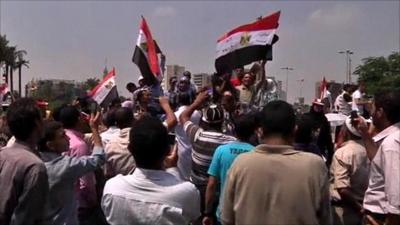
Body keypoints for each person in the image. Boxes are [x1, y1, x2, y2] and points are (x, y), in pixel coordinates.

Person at [221, 100, 331, 225]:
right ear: (294, 130)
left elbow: (227, 218)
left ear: (260, 131)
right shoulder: (314, 166)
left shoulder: (240, 164)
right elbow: (325, 219)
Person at [102, 116, 201, 225]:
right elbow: (194, 218)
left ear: (130, 149)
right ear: (168, 150)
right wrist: (173, 169)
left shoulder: (112, 188)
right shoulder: (187, 192)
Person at [39, 113, 105, 225]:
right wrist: (94, 128)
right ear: (50, 145)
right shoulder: (65, 166)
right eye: (62, 136)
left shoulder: (32, 161)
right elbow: (98, 158)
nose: (68, 138)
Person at [180, 91, 236, 219]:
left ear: (205, 120)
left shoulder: (197, 135)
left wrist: (197, 102)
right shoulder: (230, 141)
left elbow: (183, 116)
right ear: (222, 121)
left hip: (197, 190)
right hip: (221, 191)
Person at [0, 98, 49, 225]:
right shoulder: (34, 166)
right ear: (37, 124)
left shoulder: (3, 154)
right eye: (42, 118)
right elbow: (26, 217)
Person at [355, 91, 400, 225]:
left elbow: (396, 192)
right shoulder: (393, 139)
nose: (371, 113)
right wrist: (364, 132)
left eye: (373, 108)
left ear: (380, 112)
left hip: (383, 217)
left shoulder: (392, 143)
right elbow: (378, 160)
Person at [203, 115, 256, 225]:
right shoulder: (256, 154)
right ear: (253, 132)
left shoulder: (221, 151)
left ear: (233, 131)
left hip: (223, 213)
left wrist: (208, 212)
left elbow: (211, 184)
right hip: (247, 216)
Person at [58, 105, 98, 222]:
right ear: (78, 120)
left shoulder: (60, 139)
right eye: (81, 117)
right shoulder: (79, 145)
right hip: (81, 205)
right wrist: (93, 201)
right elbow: (85, 181)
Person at [330, 116, 370, 225]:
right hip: (367, 208)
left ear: (345, 131)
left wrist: (359, 208)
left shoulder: (343, 152)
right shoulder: (371, 149)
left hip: (346, 211)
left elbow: (342, 189)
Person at [174, 92, 201, 180]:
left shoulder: (175, 115)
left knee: (182, 178)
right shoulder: (197, 113)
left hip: (181, 150)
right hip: (196, 149)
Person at [104, 107, 136, 179]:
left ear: (117, 124)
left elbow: (108, 173)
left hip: (120, 187)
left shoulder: (110, 145)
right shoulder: (142, 138)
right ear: (133, 120)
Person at [305, 99, 334, 166]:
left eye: (320, 106)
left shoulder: (324, 120)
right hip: (306, 150)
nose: (318, 108)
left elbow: (328, 138)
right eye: (316, 106)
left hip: (320, 150)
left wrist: (330, 154)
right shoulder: (306, 117)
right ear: (313, 106)